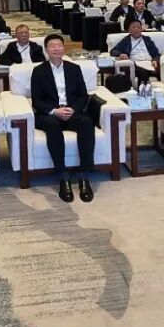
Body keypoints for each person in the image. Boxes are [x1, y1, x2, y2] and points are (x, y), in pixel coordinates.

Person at [30, 34, 96, 203]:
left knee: (87, 123)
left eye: (59, 45)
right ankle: (63, 175)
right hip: (51, 114)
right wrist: (54, 111)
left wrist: (73, 109)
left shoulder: (74, 68)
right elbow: (36, 100)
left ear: (64, 48)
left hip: (71, 110)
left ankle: (83, 174)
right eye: (52, 46)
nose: (57, 48)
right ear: (46, 50)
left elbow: (83, 95)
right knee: (52, 125)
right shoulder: (38, 71)